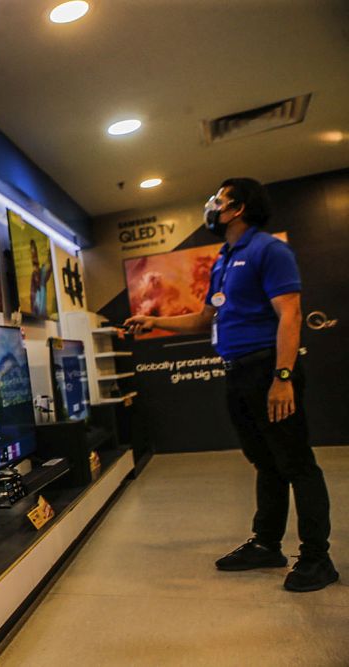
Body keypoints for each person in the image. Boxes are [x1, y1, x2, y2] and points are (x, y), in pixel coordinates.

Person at [125, 178, 337, 592]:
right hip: (238, 372)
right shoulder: (224, 258)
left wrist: (283, 377)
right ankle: (266, 544)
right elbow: (206, 319)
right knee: (266, 462)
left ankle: (317, 557)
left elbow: (290, 315)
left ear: (238, 208)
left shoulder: (268, 250)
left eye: (217, 200)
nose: (212, 207)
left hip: (267, 370)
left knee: (296, 463)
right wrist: (154, 321)